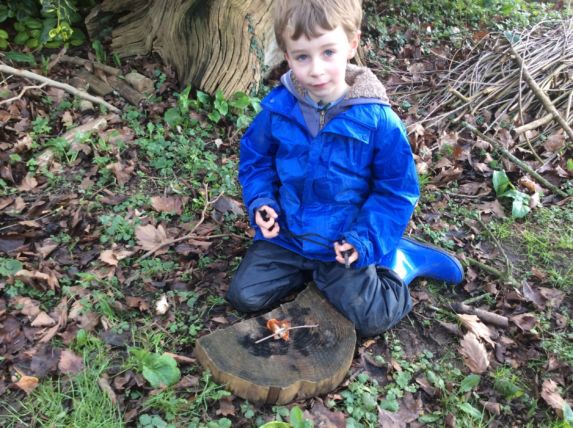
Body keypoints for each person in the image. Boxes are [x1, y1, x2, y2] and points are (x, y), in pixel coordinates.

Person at [226, 0, 463, 337]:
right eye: (302, 56)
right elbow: (256, 160)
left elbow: (396, 191)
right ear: (287, 56)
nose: (316, 70)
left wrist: (363, 239)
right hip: (289, 236)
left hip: (344, 242)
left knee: (372, 318)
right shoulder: (277, 110)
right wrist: (262, 201)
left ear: (352, 44)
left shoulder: (378, 121)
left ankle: (399, 261)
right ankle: (312, 270)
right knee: (245, 296)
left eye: (328, 52)